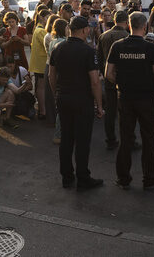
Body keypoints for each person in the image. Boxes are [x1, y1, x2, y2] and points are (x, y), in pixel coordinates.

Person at [105, 11, 154, 190]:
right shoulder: (151, 48)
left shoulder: (117, 46)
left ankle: (123, 178)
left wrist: (122, 83)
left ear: (129, 25)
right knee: (148, 139)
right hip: (146, 99)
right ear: (145, 26)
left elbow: (108, 73)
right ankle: (150, 179)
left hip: (125, 98)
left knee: (125, 139)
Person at [49, 16, 104, 190]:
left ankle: (67, 177)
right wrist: (100, 105)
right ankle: (83, 177)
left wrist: (56, 93)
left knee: (66, 138)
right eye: (88, 28)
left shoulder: (57, 48)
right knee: (82, 140)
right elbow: (95, 81)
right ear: (84, 30)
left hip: (63, 97)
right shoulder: (88, 51)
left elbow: (52, 75)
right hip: (82, 100)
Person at [97, 10, 130, 150]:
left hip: (108, 77)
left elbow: (99, 58)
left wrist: (104, 73)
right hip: (125, 79)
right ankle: (129, 139)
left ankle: (110, 139)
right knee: (127, 111)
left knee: (110, 111)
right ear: (126, 22)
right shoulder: (127, 36)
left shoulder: (103, 36)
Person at [48, 19, 68, 144]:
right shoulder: (64, 42)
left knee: (59, 107)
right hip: (64, 75)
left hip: (54, 73)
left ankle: (58, 134)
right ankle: (61, 134)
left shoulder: (52, 41)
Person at [29, 9, 50, 120]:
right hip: (41, 63)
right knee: (41, 87)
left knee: (40, 86)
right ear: (42, 18)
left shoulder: (38, 29)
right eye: (47, 18)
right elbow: (49, 45)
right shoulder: (41, 31)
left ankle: (43, 110)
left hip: (38, 63)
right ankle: (42, 111)